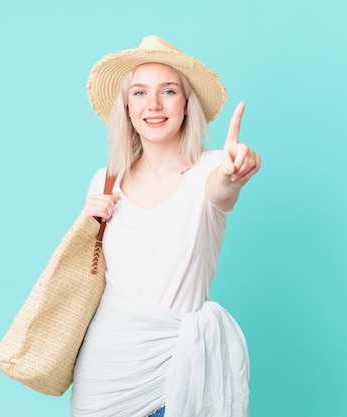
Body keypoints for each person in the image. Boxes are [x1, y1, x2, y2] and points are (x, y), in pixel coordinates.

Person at [71, 35, 261, 417]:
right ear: (126, 107)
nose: (153, 105)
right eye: (140, 92)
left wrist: (234, 172)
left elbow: (222, 190)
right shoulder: (105, 181)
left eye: (168, 91)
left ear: (187, 105)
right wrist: (85, 224)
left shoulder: (211, 168)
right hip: (104, 374)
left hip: (176, 370)